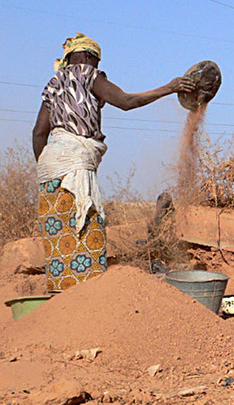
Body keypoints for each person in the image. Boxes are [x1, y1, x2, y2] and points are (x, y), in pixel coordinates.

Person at [32, 33, 196, 292]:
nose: (97, 68)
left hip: (50, 173)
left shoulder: (54, 83)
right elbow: (126, 102)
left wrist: (48, 168)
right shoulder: (88, 74)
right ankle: (90, 305)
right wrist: (170, 87)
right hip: (74, 171)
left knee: (60, 244)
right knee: (87, 234)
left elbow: (39, 133)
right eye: (96, 61)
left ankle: (60, 305)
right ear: (88, 57)